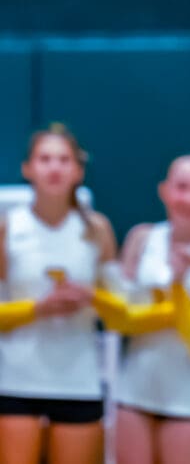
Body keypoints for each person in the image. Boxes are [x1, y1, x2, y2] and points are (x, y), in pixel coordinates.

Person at [109, 154, 190, 464]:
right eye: (182, 187)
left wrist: (178, 288)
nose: (189, 198)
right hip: (133, 393)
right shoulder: (141, 238)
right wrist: (169, 309)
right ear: (164, 190)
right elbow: (118, 319)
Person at [0, 124, 117, 464]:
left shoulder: (97, 229)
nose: (54, 167)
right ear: (28, 168)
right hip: (15, 380)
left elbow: (121, 310)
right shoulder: (8, 227)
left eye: (64, 160)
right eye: (45, 158)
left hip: (78, 381)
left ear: (78, 170)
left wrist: (92, 299)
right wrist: (40, 308)